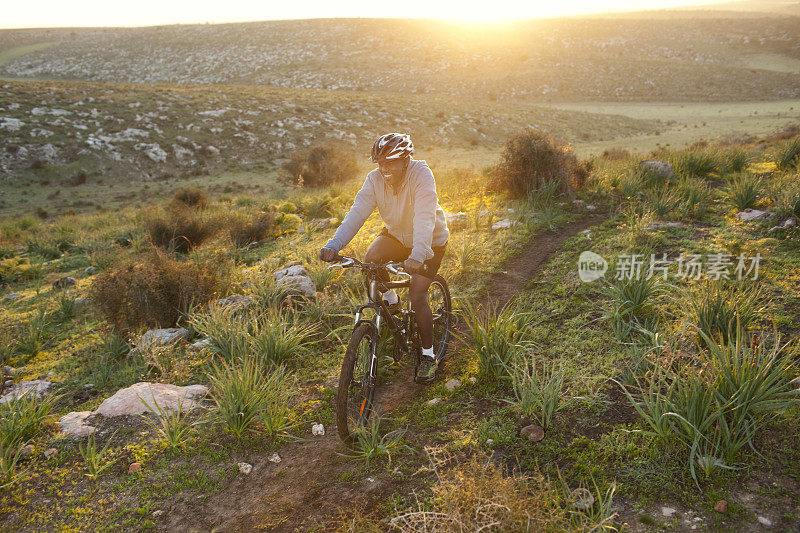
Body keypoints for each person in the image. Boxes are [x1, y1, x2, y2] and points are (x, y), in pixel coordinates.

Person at [319, 133, 450, 384]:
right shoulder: (374, 180)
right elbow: (357, 213)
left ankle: (427, 356)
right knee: (371, 260)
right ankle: (392, 302)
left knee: (418, 294)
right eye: (380, 163)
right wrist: (334, 245)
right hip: (397, 236)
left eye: (390, 162)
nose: (384, 168)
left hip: (429, 240)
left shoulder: (421, 174)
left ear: (405, 159)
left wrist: (418, 254)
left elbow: (425, 216)